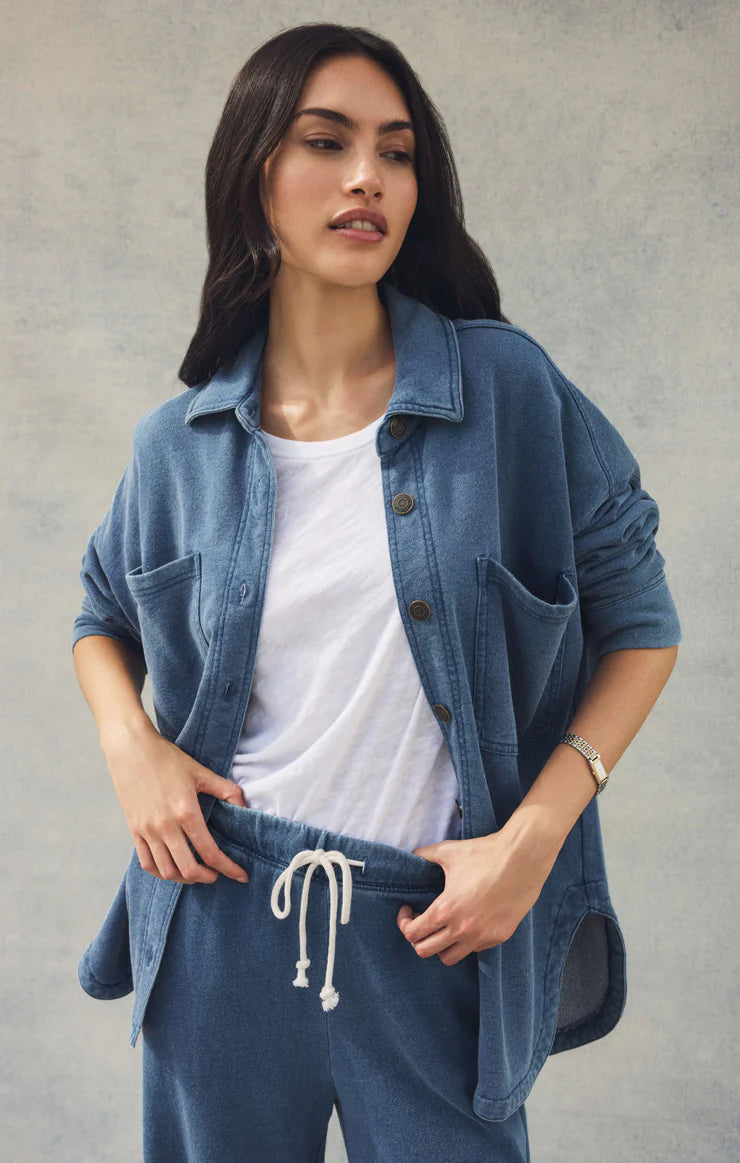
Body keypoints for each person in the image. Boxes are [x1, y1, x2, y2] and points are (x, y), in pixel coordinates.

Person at [71, 22, 682, 1163]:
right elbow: (98, 612)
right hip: (223, 917)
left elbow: (642, 624)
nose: (368, 177)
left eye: (396, 153)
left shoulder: (506, 389)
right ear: (253, 172)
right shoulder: (179, 442)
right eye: (327, 142)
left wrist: (534, 836)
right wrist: (129, 744)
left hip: (432, 925)